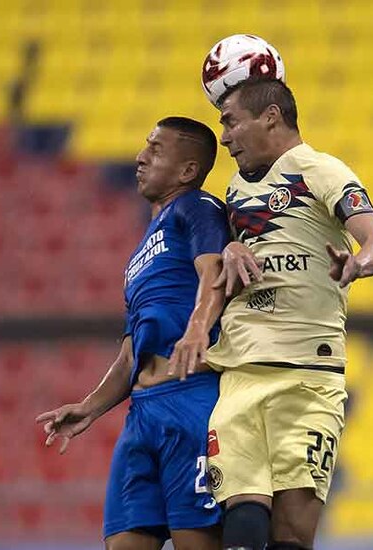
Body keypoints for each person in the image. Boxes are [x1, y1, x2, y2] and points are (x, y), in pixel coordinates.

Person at [203, 77, 373, 550]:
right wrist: (228, 248)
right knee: (242, 521)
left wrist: (357, 263)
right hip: (240, 373)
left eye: (230, 122)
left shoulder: (320, 170)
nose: (223, 136)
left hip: (308, 376)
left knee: (291, 532)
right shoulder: (234, 187)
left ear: (270, 116)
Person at [36, 116, 231, 550]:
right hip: (142, 414)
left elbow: (213, 271)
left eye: (156, 150)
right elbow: (129, 354)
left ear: (187, 171)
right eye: (145, 147)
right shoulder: (140, 255)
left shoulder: (197, 208)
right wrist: (90, 407)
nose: (140, 157)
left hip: (192, 401)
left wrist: (199, 326)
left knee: (196, 542)